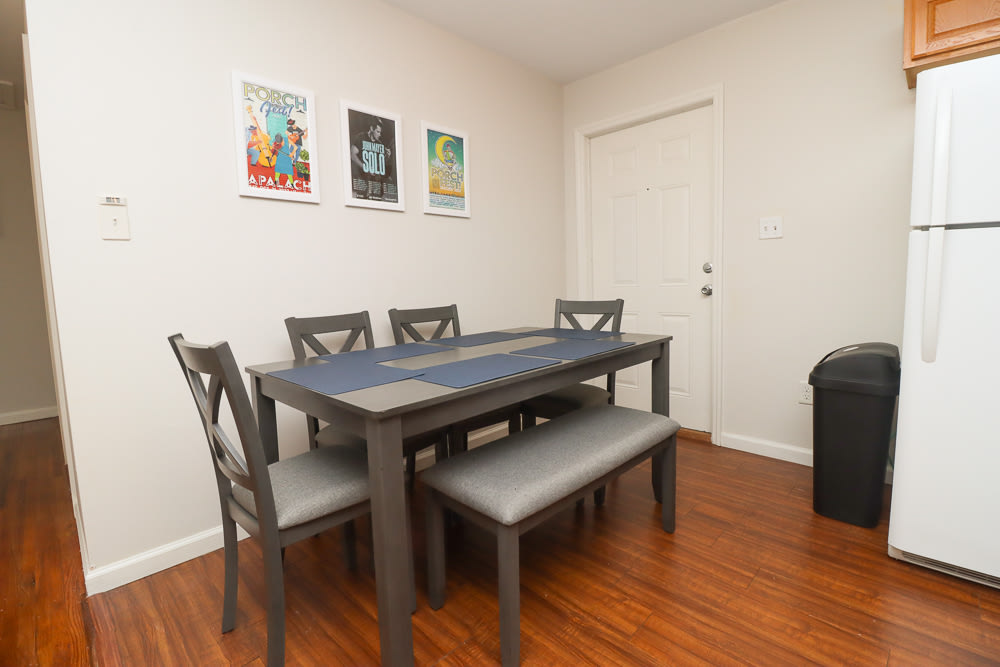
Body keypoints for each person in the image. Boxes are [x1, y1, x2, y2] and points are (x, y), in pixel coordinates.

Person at [350, 114, 394, 201]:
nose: (379, 135)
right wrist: (365, 168)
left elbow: (380, 165)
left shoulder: (379, 144)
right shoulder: (361, 137)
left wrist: (387, 156)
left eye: (380, 132)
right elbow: (352, 155)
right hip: (360, 177)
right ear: (371, 128)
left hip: (372, 180)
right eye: (377, 132)